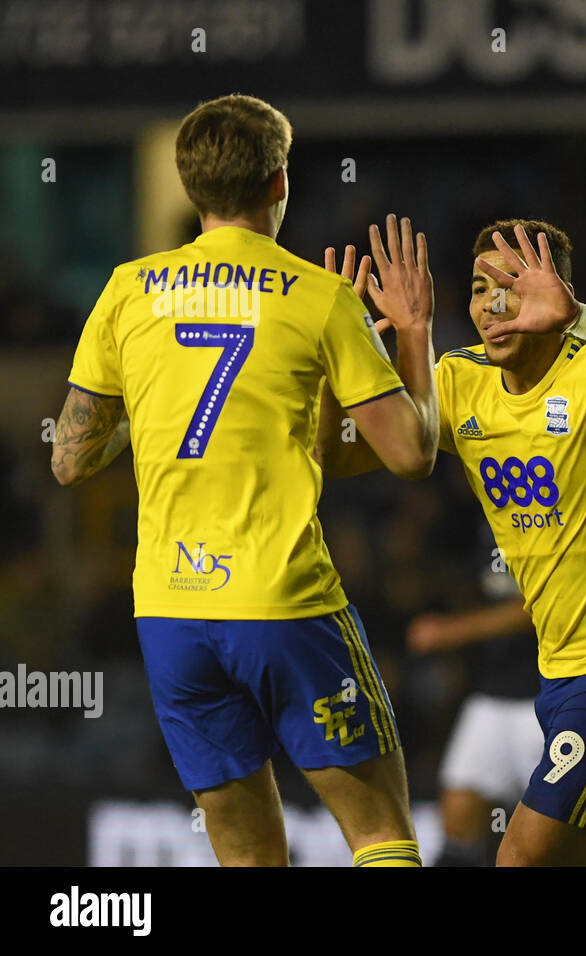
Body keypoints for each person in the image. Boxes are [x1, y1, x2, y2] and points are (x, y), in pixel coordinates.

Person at [51, 93, 438, 867]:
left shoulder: (127, 291)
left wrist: (160, 415)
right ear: (279, 183)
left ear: (192, 189)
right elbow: (410, 452)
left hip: (170, 612)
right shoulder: (319, 297)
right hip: (282, 603)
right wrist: (415, 336)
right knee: (381, 834)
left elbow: (69, 459)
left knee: (248, 858)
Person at [319, 219, 586, 865]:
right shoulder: (461, 379)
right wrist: (344, 352)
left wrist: (582, 318)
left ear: (555, 293)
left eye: (514, 284)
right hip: (561, 674)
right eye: (481, 288)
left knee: (522, 859)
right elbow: (339, 455)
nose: (495, 304)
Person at [406, 526, 542, 867]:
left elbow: (540, 608)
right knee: (457, 821)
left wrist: (452, 631)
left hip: (546, 701)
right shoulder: (485, 528)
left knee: (554, 836)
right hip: (489, 698)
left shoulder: (548, 518)